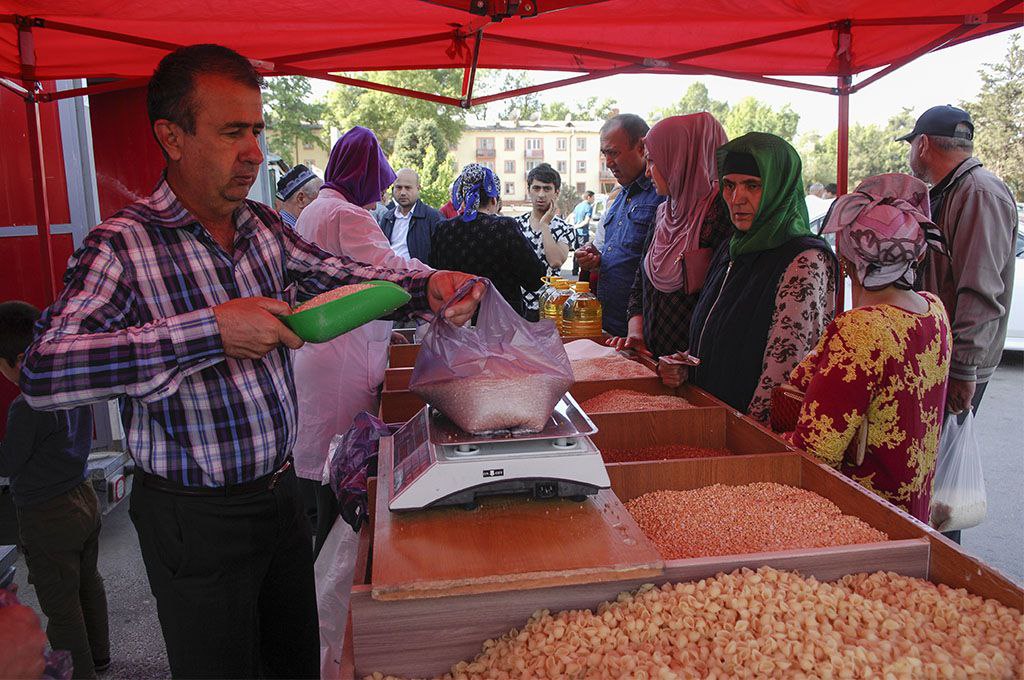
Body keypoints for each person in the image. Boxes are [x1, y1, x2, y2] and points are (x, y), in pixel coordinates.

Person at [18, 44, 481, 679]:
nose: (255, 153)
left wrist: (427, 287)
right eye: (232, 132)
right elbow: (46, 368)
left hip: (279, 497)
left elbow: (340, 275)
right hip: (193, 518)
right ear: (171, 137)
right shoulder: (120, 245)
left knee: (295, 661)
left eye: (257, 131)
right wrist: (209, 330)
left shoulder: (263, 226)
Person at [292, 129, 432, 555]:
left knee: (320, 486)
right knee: (340, 478)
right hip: (342, 358)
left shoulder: (315, 209)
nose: (379, 195)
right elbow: (388, 268)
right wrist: (440, 280)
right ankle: (328, 594)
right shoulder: (348, 215)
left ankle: (320, 577)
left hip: (317, 354)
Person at [788, 174, 952, 522]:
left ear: (847, 260)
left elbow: (816, 450)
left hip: (865, 515)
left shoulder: (862, 330)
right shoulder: (934, 310)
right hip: (913, 509)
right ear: (914, 256)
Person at [661, 132, 838, 424]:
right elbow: (725, 332)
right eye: (729, 185)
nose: (736, 198)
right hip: (714, 418)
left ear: (779, 187)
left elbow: (786, 369)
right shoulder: (734, 247)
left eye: (752, 186)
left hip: (751, 434)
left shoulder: (803, 259)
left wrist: (750, 436)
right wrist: (685, 363)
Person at [0, 301, 110, 679]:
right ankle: (100, 657)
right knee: (88, 582)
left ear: (17, 360)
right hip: (83, 497)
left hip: (46, 515)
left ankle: (79, 673)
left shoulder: (25, 405)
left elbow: (8, 463)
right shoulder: (69, 384)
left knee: (61, 606)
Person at [899, 105, 1017, 418]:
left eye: (911, 145)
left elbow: (981, 289)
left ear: (923, 144)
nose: (910, 155)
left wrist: (964, 369)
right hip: (941, 355)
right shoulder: (953, 190)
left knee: (944, 457)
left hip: (956, 362)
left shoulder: (978, 192)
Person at [608, 113, 733, 360]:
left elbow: (721, 303)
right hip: (655, 361)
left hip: (694, 368)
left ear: (680, 160)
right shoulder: (663, 213)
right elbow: (640, 282)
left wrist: (688, 359)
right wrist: (636, 333)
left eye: (654, 161)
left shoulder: (721, 214)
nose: (647, 173)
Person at [575, 114, 665, 337]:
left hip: (641, 334)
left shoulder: (661, 195)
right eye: (604, 154)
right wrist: (594, 259)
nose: (608, 163)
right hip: (611, 327)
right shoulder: (620, 199)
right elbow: (615, 253)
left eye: (613, 152)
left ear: (642, 147)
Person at [431, 164, 547, 318]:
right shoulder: (504, 227)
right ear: (494, 199)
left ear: (464, 198)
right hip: (501, 324)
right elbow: (535, 280)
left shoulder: (442, 229)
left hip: (456, 320)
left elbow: (434, 278)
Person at [514, 163, 578, 320]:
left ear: (556, 192)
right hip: (517, 306)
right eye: (536, 188)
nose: (541, 194)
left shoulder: (565, 228)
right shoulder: (514, 225)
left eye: (547, 188)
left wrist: (544, 225)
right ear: (529, 190)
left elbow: (556, 261)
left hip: (551, 307)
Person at [378, 168, 444, 263]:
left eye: (408, 188)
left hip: (419, 275)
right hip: (390, 274)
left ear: (418, 189)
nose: (403, 193)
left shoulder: (433, 217)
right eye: (399, 187)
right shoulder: (387, 218)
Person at [275, 164, 322, 229]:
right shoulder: (292, 233)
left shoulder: (276, 224)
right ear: (301, 199)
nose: (321, 208)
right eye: (318, 201)